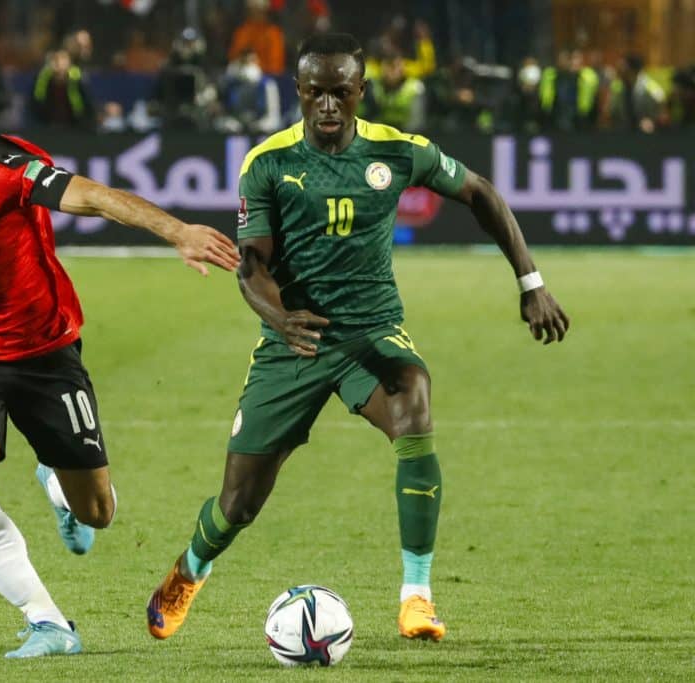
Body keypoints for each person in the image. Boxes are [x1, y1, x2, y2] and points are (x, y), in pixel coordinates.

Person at [146, 32, 569, 644]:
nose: (326, 106)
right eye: (314, 92)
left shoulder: (398, 152)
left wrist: (530, 282)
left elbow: (480, 191)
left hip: (371, 332)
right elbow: (251, 267)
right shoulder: (266, 162)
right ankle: (189, 570)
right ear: (297, 91)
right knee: (238, 505)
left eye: (339, 92)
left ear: (361, 91)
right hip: (291, 341)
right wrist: (280, 318)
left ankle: (416, 598)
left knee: (413, 395)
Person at [0, 57, 238, 660]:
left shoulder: (2, 164)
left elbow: (93, 196)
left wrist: (176, 232)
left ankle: (58, 488)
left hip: (47, 355)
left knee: (99, 513)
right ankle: (48, 623)